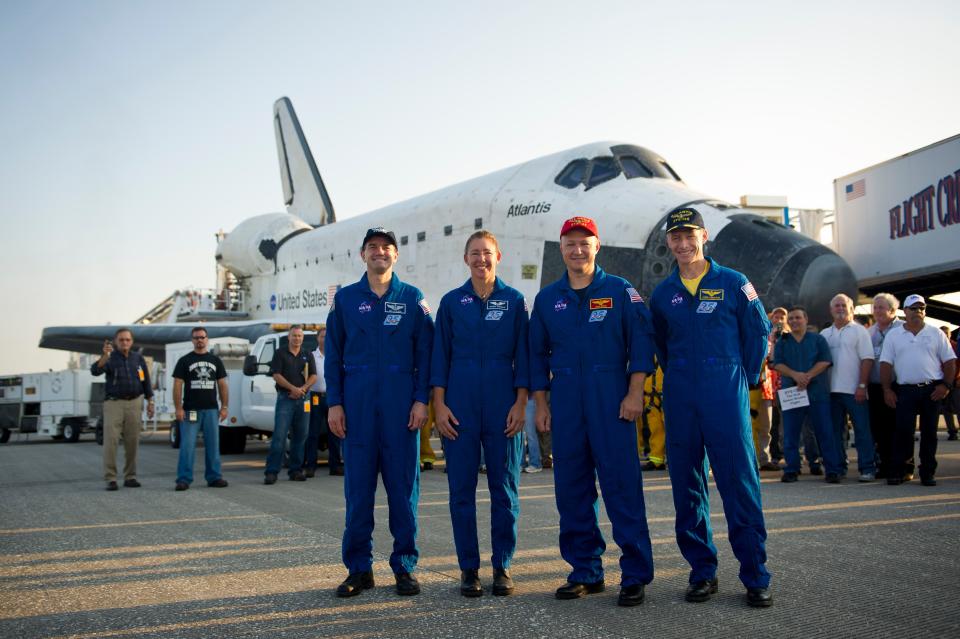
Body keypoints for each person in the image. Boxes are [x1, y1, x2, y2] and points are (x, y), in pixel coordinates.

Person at [648, 206, 773, 608]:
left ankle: (755, 575)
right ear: (669, 242)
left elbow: (758, 332)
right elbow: (662, 346)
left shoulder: (735, 283)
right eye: (676, 237)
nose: (683, 244)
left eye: (690, 235)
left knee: (739, 483)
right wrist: (682, 375)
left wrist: (745, 378)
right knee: (687, 487)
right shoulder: (663, 293)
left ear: (704, 237)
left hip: (725, 392)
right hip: (681, 395)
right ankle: (702, 572)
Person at [529, 215, 654, 608]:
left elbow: (641, 345)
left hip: (611, 398)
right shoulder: (548, 299)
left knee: (622, 488)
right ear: (562, 249)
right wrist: (542, 404)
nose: (577, 249)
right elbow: (536, 356)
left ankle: (634, 574)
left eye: (585, 242)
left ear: (597, 246)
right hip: (567, 401)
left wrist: (635, 394)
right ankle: (585, 570)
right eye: (570, 243)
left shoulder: (620, 291)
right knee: (572, 490)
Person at [325, 227, 434, 598]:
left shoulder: (413, 298)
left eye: (386, 247)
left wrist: (422, 400)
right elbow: (334, 357)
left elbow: (426, 355)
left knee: (404, 492)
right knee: (358, 493)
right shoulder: (345, 300)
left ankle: (405, 566)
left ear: (395, 255)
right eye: (372, 247)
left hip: (401, 406)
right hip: (356, 406)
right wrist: (335, 403)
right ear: (363, 255)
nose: (379, 253)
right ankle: (359, 569)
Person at [432, 230, 529, 598]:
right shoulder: (452, 302)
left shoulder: (515, 301)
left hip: (504, 408)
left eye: (487, 253)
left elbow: (526, 356)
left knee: (505, 491)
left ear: (498, 256)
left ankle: (502, 566)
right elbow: (439, 357)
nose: (481, 259)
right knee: (461, 492)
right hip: (459, 409)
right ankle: (468, 569)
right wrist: (439, 405)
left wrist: (521, 403)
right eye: (474, 253)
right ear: (465, 258)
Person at [880, 295, 957, 486]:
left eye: (921, 308)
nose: (918, 312)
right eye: (913, 308)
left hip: (931, 389)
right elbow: (885, 364)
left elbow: (949, 361)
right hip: (905, 390)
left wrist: (946, 385)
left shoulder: (935, 333)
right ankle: (900, 470)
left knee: (929, 433)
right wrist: (887, 389)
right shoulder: (894, 335)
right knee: (903, 432)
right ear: (904, 311)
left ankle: (927, 472)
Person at [772, 307, 843, 483]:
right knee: (790, 434)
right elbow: (777, 364)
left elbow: (825, 360)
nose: (795, 321)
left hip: (817, 392)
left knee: (824, 432)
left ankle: (832, 470)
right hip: (792, 392)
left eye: (798, 318)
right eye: (792, 318)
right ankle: (792, 469)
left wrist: (808, 375)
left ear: (806, 319)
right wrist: (796, 375)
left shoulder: (818, 339)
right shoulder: (783, 341)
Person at [821, 293, 876, 481]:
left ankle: (867, 468)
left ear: (851, 309)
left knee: (862, 431)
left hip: (855, 391)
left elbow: (867, 359)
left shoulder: (860, 331)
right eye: (837, 305)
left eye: (844, 305)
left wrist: (862, 385)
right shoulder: (825, 334)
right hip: (831, 392)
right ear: (831, 310)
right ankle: (838, 468)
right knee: (835, 433)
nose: (840, 309)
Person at [91, 328, 154, 491]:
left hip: (134, 403)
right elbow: (95, 371)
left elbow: (144, 379)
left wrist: (150, 401)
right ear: (116, 342)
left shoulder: (138, 359)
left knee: (132, 442)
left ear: (132, 342)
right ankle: (111, 478)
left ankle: (130, 477)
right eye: (121, 340)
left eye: (127, 339)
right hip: (114, 404)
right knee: (111, 442)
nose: (124, 342)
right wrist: (104, 355)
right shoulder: (110, 359)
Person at [172, 326, 229, 490]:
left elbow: (223, 385)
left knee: (213, 445)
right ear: (192, 340)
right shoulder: (184, 361)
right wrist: (178, 408)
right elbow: (177, 384)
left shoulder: (215, 361)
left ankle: (214, 477)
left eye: (202, 337)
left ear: (207, 339)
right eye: (196, 337)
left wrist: (224, 406)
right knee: (187, 446)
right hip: (191, 410)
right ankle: (183, 479)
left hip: (211, 410)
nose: (200, 340)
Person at [264, 325, 316, 484]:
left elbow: (314, 376)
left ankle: (296, 470)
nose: (297, 339)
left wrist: (303, 389)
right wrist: (293, 389)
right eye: (294, 336)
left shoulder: (307, 354)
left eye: (300, 336)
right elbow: (276, 375)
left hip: (303, 400)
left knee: (300, 437)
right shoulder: (280, 353)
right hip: (285, 399)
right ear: (289, 337)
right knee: (279, 436)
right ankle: (271, 472)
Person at [867, 293, 904, 478]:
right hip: (875, 387)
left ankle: (903, 467)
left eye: (881, 307)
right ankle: (885, 464)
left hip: (897, 385)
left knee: (898, 427)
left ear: (892, 310)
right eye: (875, 307)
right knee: (879, 428)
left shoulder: (902, 329)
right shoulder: (870, 332)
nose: (877, 311)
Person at [306, 325, 343, 477]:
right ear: (317, 338)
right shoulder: (311, 356)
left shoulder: (337, 356)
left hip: (333, 398)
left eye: (328, 336)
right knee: (313, 432)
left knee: (334, 433)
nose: (325, 339)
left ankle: (334, 466)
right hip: (315, 397)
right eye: (322, 336)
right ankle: (310, 466)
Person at [638, 363, 666, 471]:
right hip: (651, 396)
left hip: (664, 393)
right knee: (655, 429)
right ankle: (657, 460)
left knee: (674, 430)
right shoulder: (649, 350)